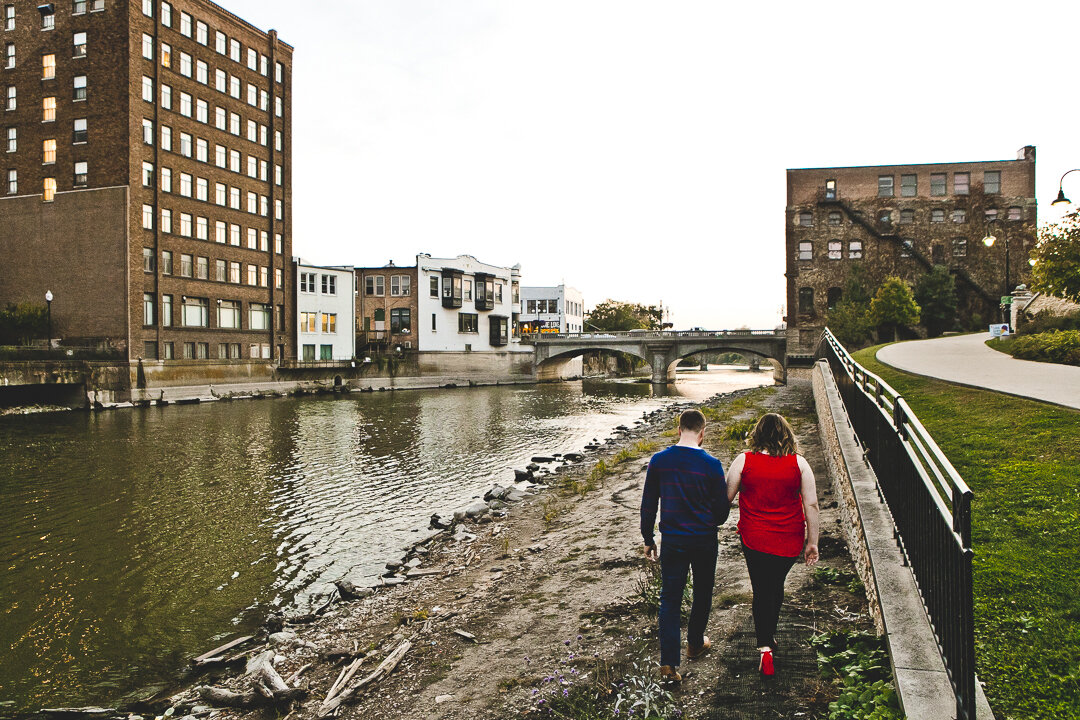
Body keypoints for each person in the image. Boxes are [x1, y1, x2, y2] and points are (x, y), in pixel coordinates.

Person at [726, 413, 819, 677]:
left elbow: (727, 496)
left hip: (754, 538)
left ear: (758, 434)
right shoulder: (799, 464)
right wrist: (812, 542)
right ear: (786, 434)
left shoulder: (744, 460)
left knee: (761, 589)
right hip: (789, 539)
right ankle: (770, 634)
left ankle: (764, 647)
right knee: (775, 586)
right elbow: (811, 504)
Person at [640, 409, 729, 683]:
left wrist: (648, 538)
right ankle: (694, 644)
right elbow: (722, 512)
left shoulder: (659, 461)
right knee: (703, 591)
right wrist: (707, 520)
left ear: (679, 430)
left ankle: (668, 664)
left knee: (670, 597)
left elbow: (648, 504)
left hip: (674, 541)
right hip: (703, 539)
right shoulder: (712, 464)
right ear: (702, 433)